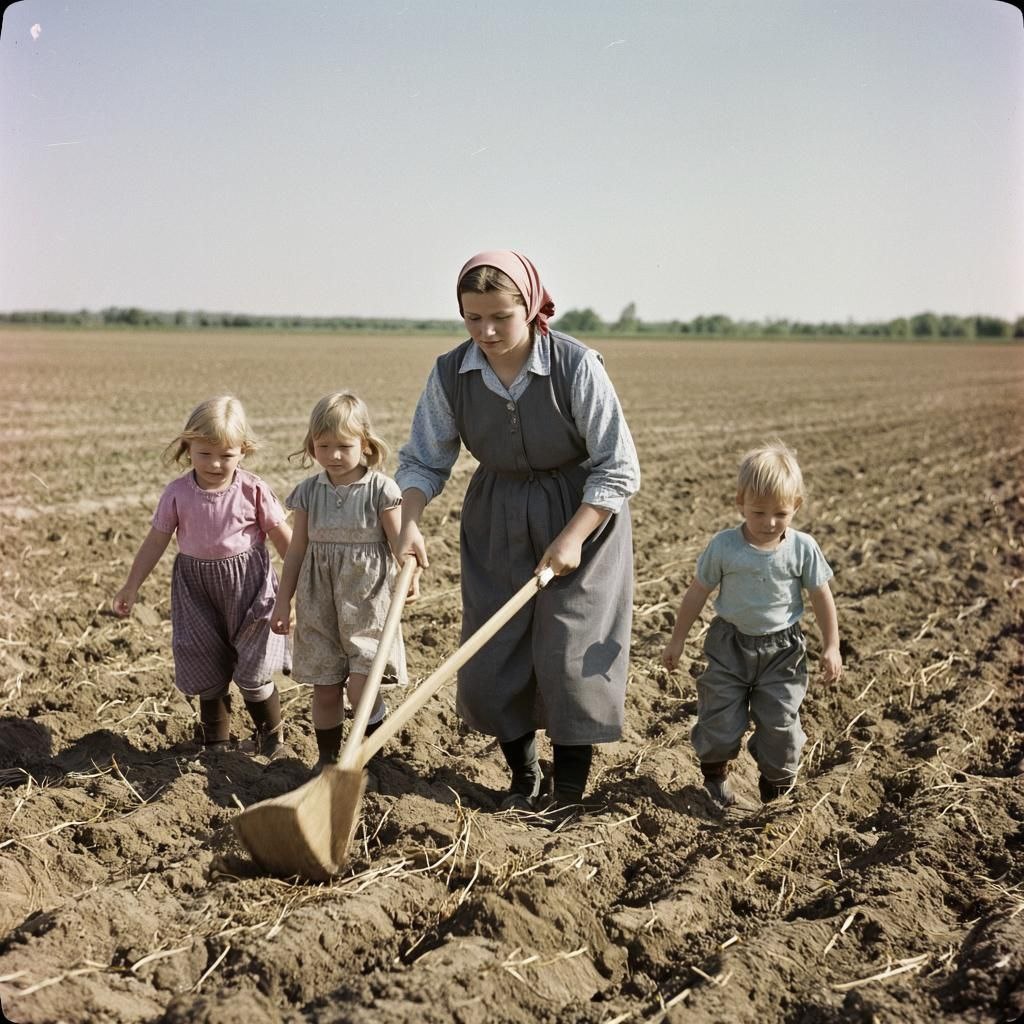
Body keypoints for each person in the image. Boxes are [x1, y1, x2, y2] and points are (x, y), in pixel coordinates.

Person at [396, 249, 640, 817]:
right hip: (497, 516)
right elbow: (423, 461)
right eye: (472, 317)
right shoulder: (450, 373)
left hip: (582, 516)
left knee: (570, 654)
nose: (485, 331)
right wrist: (409, 524)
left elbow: (619, 465)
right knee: (492, 654)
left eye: (499, 317)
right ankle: (522, 774)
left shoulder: (576, 366)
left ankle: (569, 793)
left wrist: (574, 535)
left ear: (529, 308)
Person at [661, 440, 842, 806]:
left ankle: (774, 792)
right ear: (739, 503)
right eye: (758, 512)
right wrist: (676, 640)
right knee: (719, 722)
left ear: (797, 507)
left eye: (780, 513)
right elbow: (697, 593)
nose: (769, 522)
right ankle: (715, 779)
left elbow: (822, 598)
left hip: (782, 652)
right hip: (730, 646)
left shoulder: (803, 548)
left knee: (781, 728)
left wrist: (832, 645)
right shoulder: (725, 546)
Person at [112, 396, 292, 757]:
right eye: (204, 453)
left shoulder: (252, 490)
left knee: (254, 675)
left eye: (226, 454)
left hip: (250, 588)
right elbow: (156, 542)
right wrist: (131, 584)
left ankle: (272, 741)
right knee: (207, 666)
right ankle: (217, 746)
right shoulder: (177, 494)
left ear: (244, 451)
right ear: (187, 447)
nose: (214, 463)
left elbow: (286, 542)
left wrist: (299, 588)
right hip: (196, 591)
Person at [270, 392, 410, 772]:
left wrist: (408, 571)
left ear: (365, 443)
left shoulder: (381, 490)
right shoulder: (309, 493)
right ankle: (328, 760)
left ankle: (370, 754)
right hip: (319, 602)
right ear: (311, 444)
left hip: (367, 600)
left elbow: (400, 543)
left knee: (361, 687)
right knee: (326, 687)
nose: (333, 455)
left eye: (344, 446)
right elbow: (296, 552)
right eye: (323, 445)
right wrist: (284, 601)